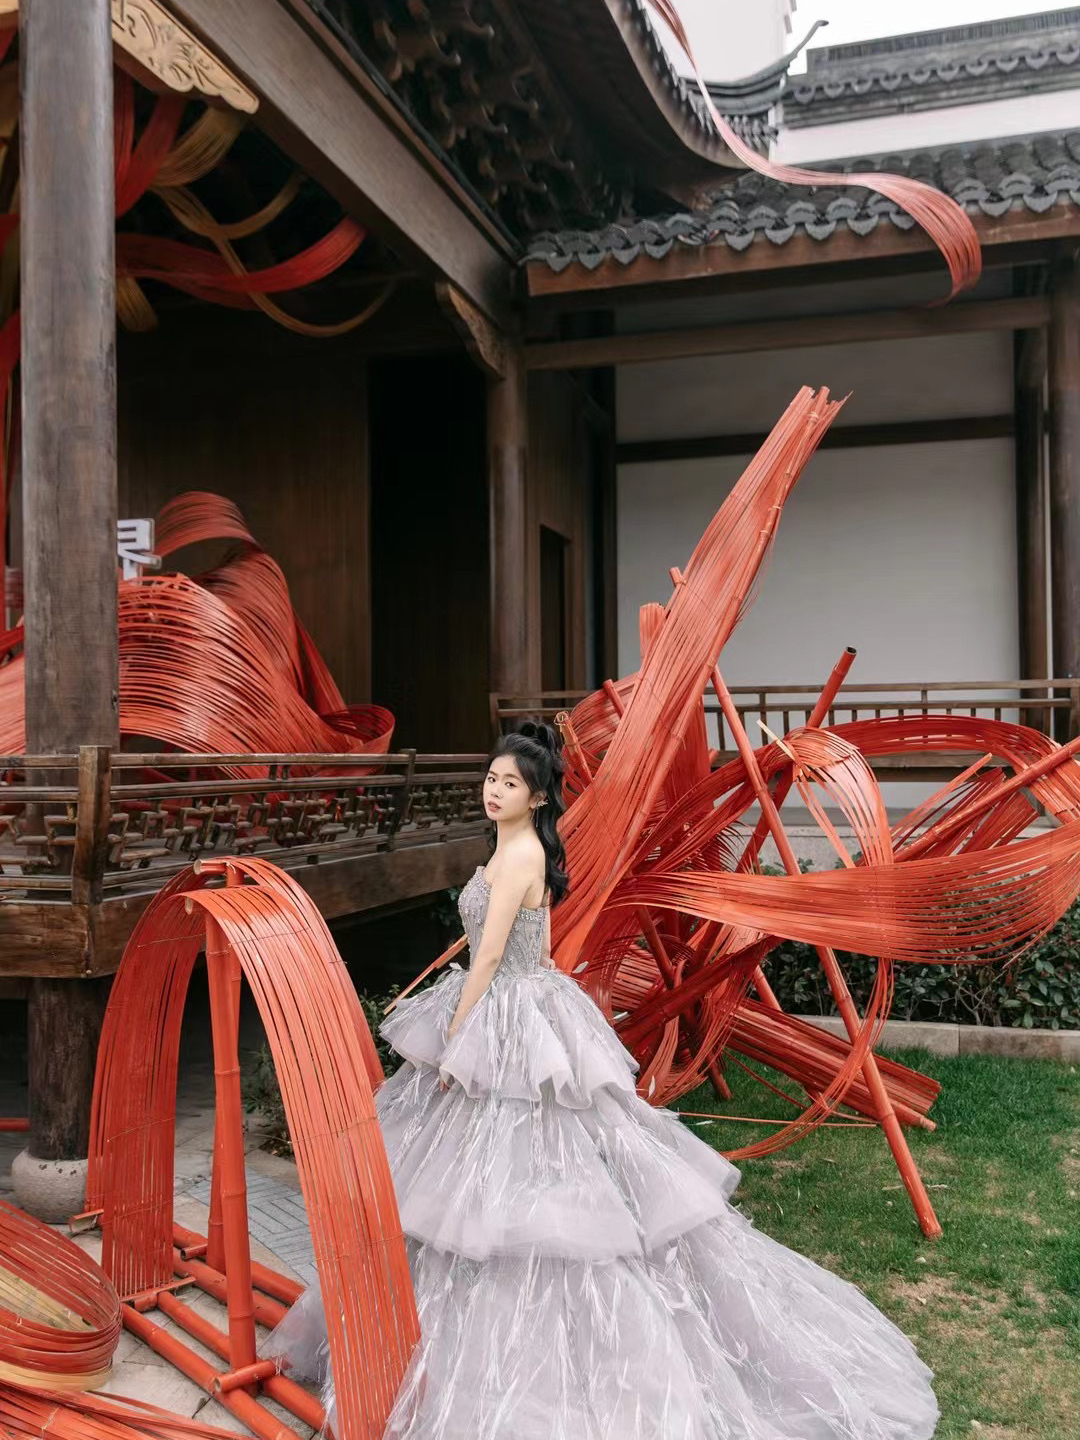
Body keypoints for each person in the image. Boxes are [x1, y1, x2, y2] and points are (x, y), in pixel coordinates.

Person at [265, 720, 939, 1439]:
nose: (494, 791)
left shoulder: (521, 854)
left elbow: (488, 957)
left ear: (537, 797)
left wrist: (457, 1038)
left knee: (520, 1166)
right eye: (492, 779)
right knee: (472, 1172)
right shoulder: (511, 848)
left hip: (503, 1008)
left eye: (510, 784)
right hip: (518, 1005)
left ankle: (525, 1342)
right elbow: (518, 948)